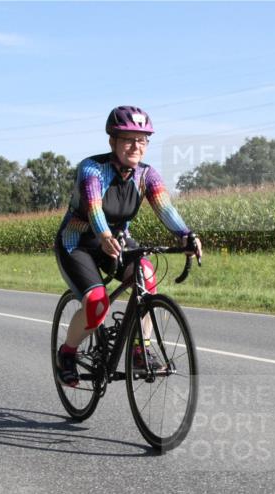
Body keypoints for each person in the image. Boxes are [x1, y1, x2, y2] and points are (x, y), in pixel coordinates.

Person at [53, 105, 202, 387]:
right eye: (129, 139)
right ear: (113, 142)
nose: (136, 146)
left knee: (146, 277)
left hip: (117, 242)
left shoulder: (146, 175)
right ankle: (68, 353)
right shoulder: (92, 169)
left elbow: (165, 208)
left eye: (142, 140)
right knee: (97, 303)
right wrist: (104, 234)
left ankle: (138, 348)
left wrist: (186, 235)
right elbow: (94, 208)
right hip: (79, 243)